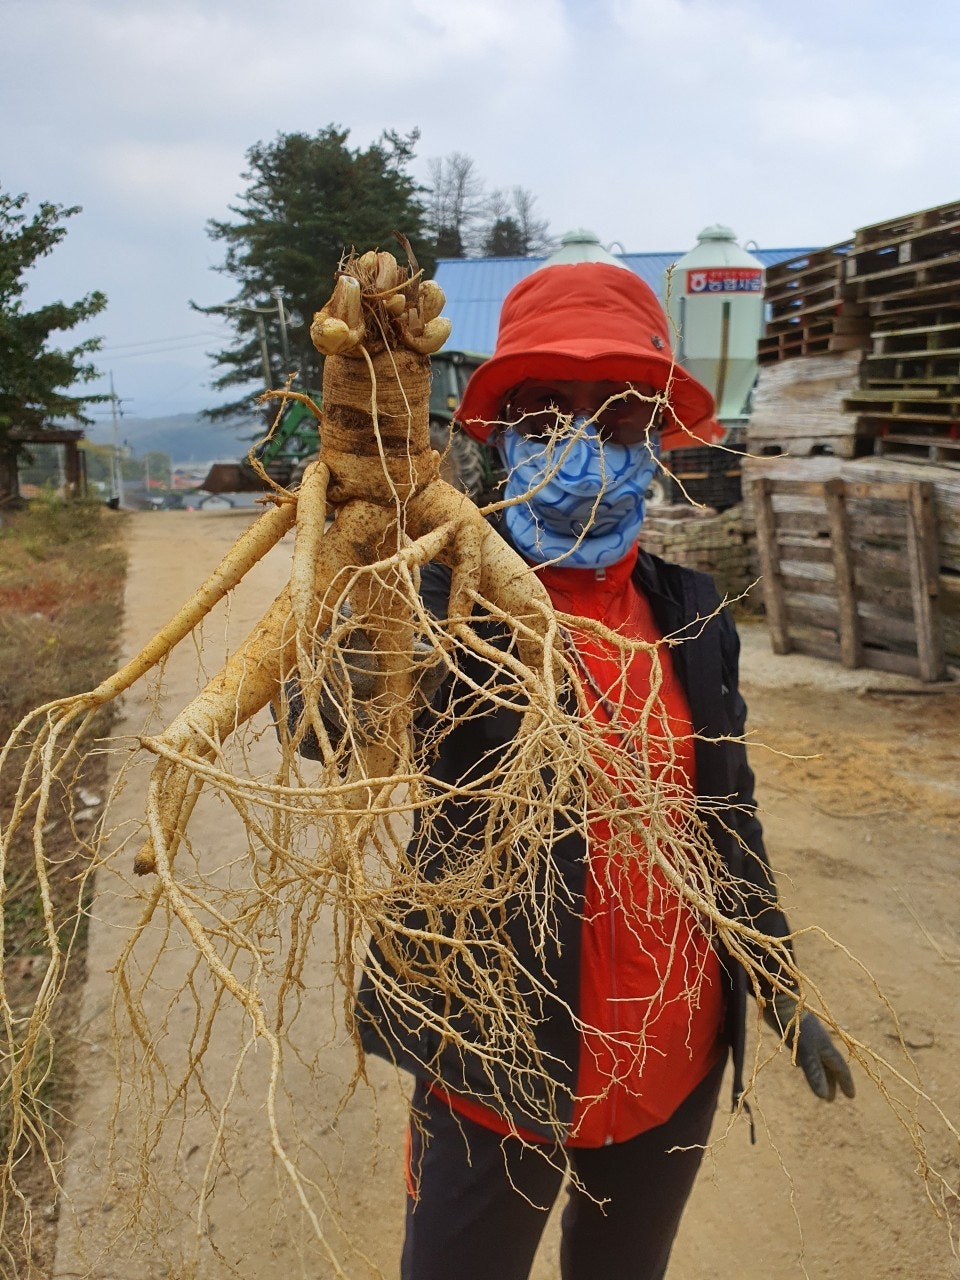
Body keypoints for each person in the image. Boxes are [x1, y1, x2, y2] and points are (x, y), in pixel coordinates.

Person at [352, 262, 855, 1280]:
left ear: (655, 441)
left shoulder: (693, 609)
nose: (584, 447)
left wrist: (780, 986)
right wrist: (355, 571)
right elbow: (328, 724)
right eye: (548, 413)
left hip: (669, 1056)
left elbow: (728, 821)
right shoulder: (440, 590)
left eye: (619, 419)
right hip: (498, 1058)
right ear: (499, 437)